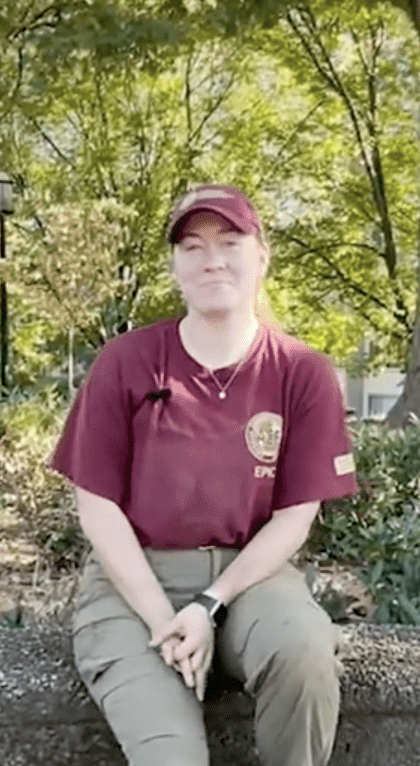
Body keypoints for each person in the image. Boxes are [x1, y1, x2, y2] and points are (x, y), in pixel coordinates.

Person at [50, 183, 358, 766]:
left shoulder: (302, 370)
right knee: (171, 756)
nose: (211, 259)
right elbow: (97, 507)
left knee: (305, 657)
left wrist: (210, 604)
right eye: (192, 247)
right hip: (136, 584)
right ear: (175, 267)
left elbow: (295, 517)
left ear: (261, 256)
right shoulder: (126, 361)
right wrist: (163, 619)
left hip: (252, 579)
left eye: (230, 242)